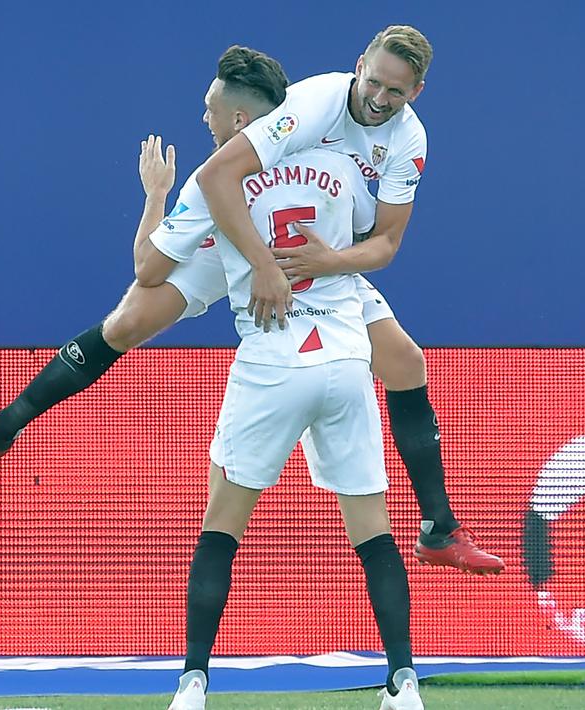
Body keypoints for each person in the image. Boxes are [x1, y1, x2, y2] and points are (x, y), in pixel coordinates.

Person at [0, 41, 502, 575]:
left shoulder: (407, 139)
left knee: (405, 361)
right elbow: (179, 230)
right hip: (242, 233)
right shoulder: (310, 105)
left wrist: (320, 261)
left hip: (305, 250)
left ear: (416, 91)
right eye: (374, 82)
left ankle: (438, 528)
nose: (380, 98)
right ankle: (2, 426)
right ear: (359, 66)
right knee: (130, 320)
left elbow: (384, 242)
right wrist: (253, 260)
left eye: (396, 91)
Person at [131, 108, 421, 710]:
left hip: (273, 362)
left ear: (242, 119)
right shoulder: (339, 163)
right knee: (374, 532)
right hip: (344, 361)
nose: (206, 120)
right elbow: (375, 235)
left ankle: (193, 682)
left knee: (221, 524)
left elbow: (148, 269)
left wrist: (157, 195)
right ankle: (403, 682)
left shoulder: (221, 181)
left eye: (211, 110)